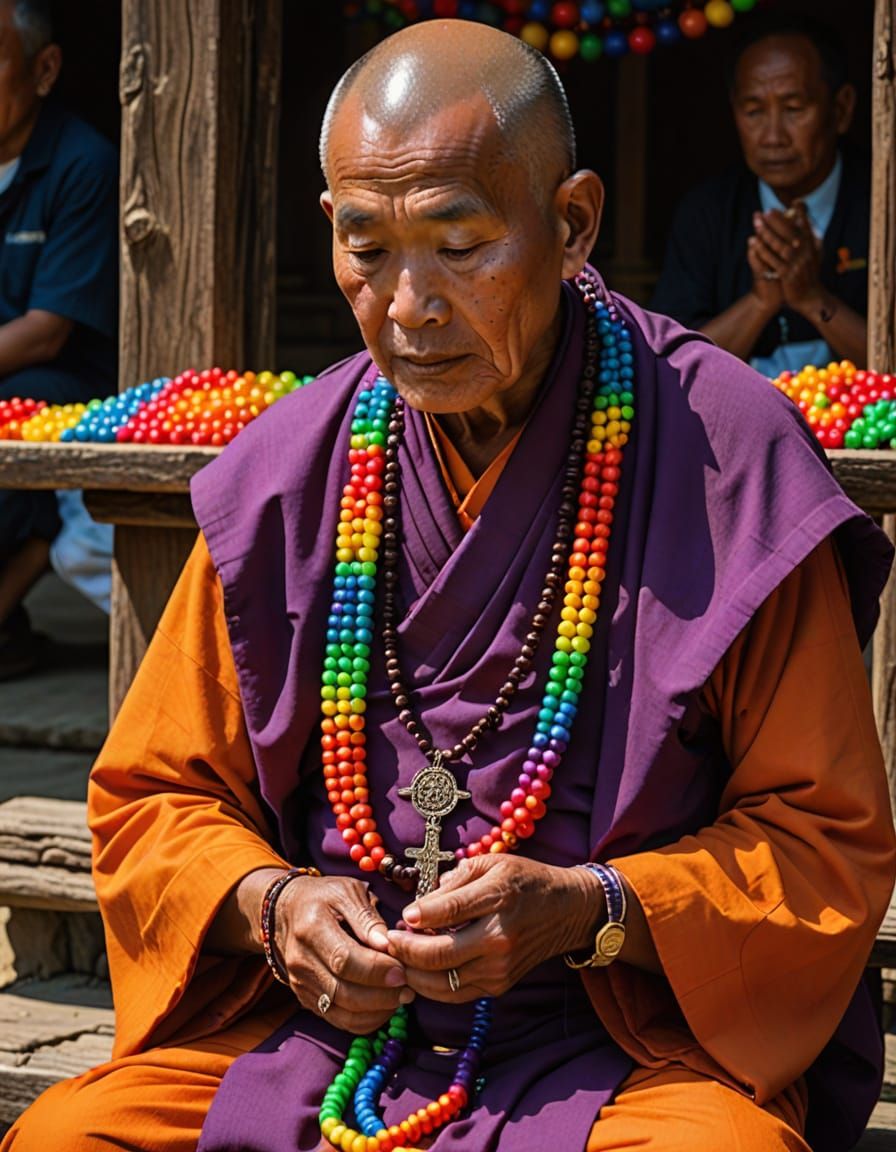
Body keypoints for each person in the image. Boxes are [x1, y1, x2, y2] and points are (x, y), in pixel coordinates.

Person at [4, 18, 895, 1152]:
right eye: (367, 249)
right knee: (70, 1137)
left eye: (459, 244)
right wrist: (275, 908)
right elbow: (152, 799)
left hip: (621, 1030)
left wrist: (592, 910)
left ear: (570, 225)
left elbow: (823, 841)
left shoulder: (723, 457)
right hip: (331, 1033)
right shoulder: (297, 471)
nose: (409, 306)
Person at [0, 0, 117, 677]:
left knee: (22, 405)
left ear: (44, 70)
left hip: (71, 387)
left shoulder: (82, 163)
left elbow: (46, 335)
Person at [650, 14, 869, 377]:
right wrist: (760, 302)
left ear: (841, 109)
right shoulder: (708, 211)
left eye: (794, 109)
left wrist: (814, 299)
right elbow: (668, 370)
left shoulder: (881, 205)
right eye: (753, 111)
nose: (772, 137)